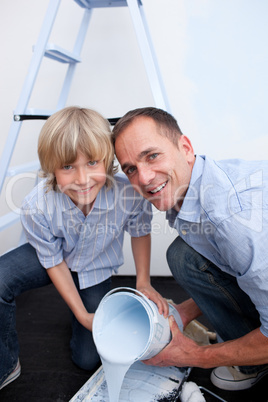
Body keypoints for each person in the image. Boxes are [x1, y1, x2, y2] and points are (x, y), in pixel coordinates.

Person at [0, 106, 168, 391]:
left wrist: (143, 281)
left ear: (107, 160)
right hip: (51, 258)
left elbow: (140, 231)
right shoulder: (37, 205)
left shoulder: (128, 193)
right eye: (68, 167)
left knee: (87, 360)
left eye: (92, 163)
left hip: (95, 267)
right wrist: (80, 313)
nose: (82, 179)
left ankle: (83, 310)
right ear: (52, 168)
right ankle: (6, 363)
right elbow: (52, 261)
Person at [112, 106, 268, 391]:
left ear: (185, 147)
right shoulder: (193, 185)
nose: (144, 178)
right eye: (131, 169)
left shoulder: (231, 221)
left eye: (152, 155)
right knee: (183, 255)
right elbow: (232, 265)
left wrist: (195, 355)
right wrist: (183, 312)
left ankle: (256, 363)